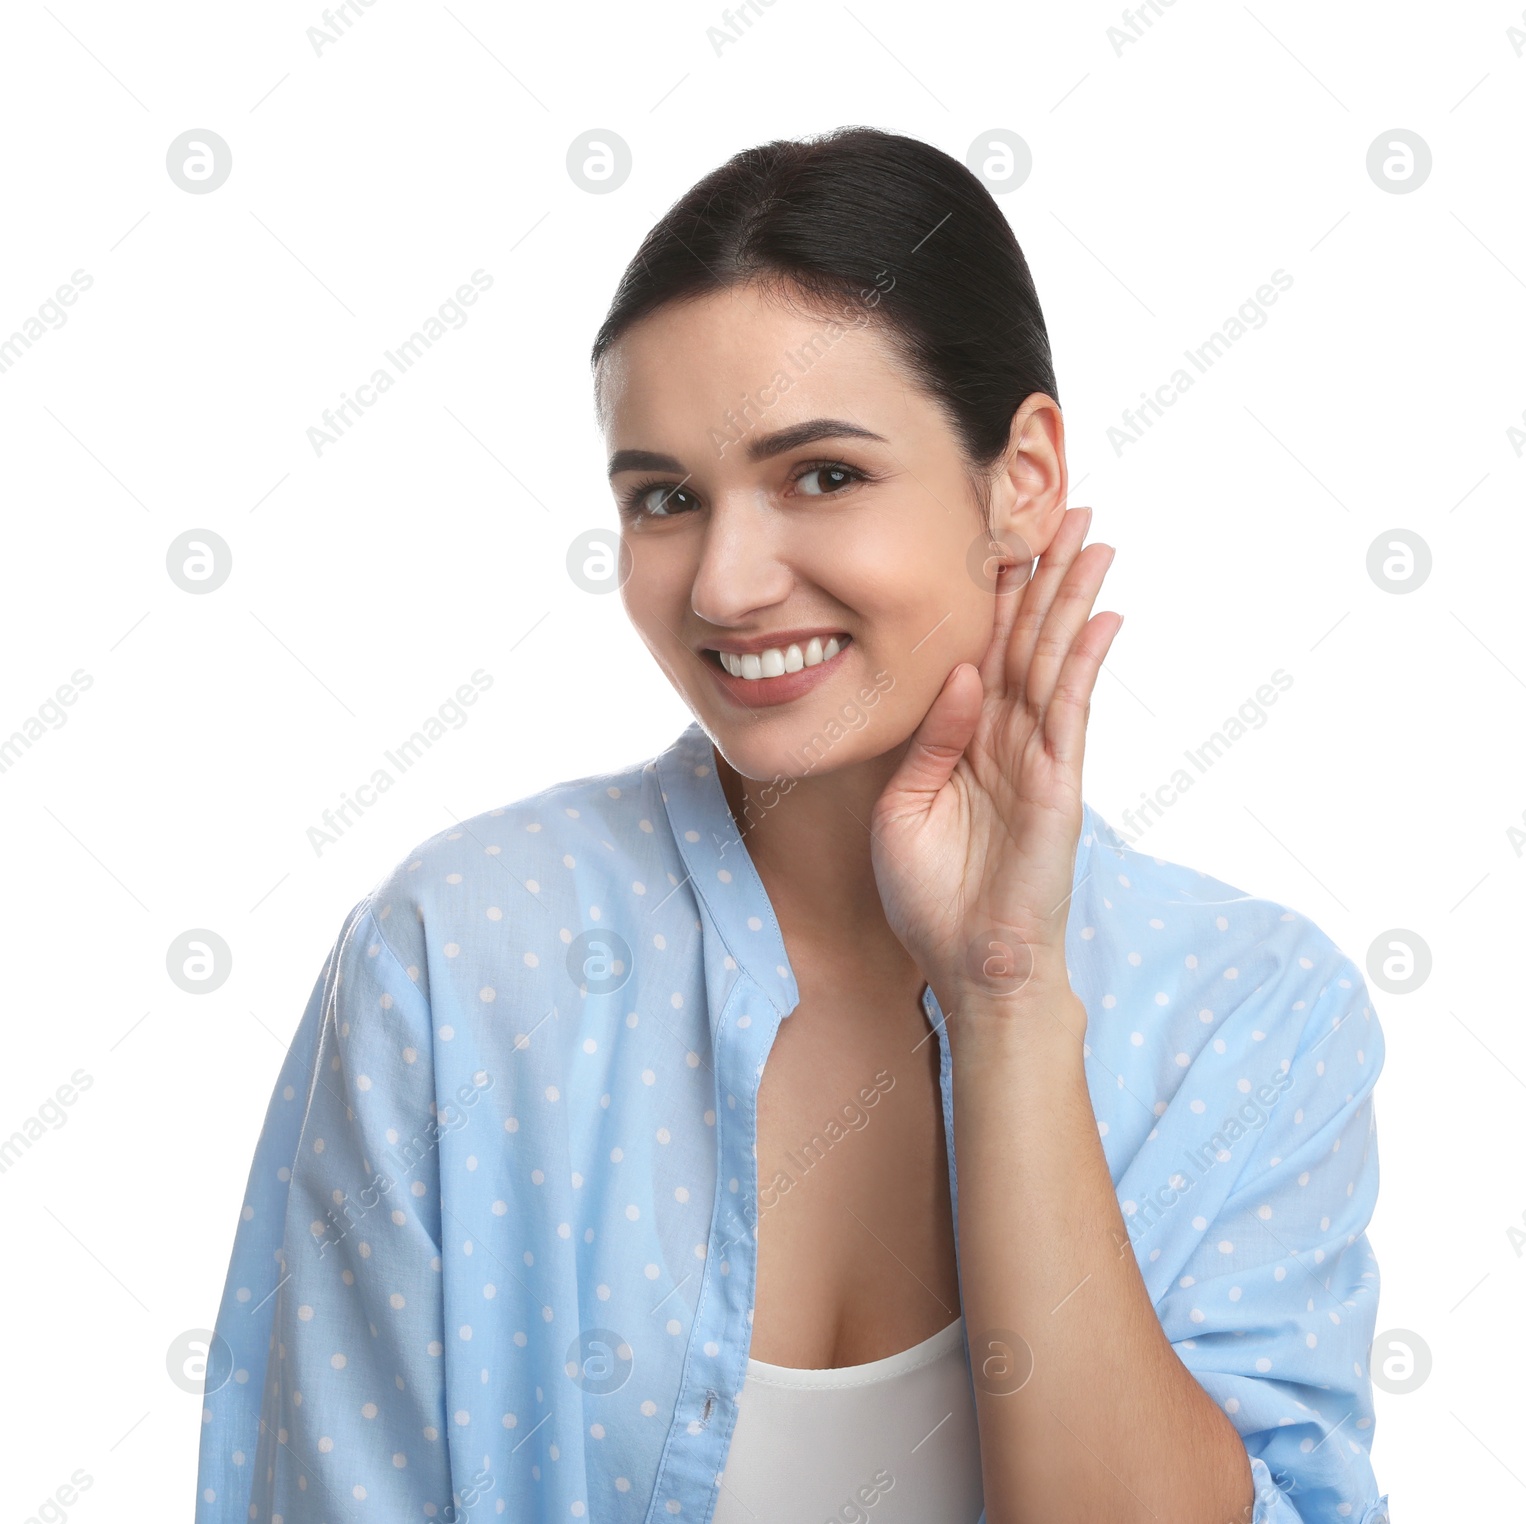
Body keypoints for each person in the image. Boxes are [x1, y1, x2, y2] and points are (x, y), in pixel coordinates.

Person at [194, 126, 1389, 1524]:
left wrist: (1005, 998)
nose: (724, 583)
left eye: (822, 475)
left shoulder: (1250, 1016)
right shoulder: (461, 957)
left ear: (1024, 476)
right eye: (665, 499)